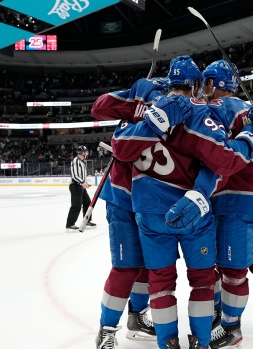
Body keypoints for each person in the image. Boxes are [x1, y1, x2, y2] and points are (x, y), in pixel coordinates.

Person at [112, 56, 253, 349]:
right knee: (203, 281)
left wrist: (143, 106)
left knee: (160, 280)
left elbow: (119, 146)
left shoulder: (143, 106)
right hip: (192, 213)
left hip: (148, 213)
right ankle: (201, 341)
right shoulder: (199, 111)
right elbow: (224, 160)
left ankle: (167, 342)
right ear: (197, 84)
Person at [187, 60, 253, 349]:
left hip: (238, 202)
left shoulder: (214, 110)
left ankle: (231, 329)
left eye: (204, 84)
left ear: (210, 84)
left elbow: (215, 155)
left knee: (233, 273)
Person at [90, 77, 170, 347]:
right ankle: (107, 329)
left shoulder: (175, 106)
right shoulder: (133, 108)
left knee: (147, 266)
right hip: (123, 199)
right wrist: (132, 95)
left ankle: (136, 317)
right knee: (125, 268)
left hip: (151, 202)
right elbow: (98, 108)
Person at [65, 145, 96, 232]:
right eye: (85, 152)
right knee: (76, 206)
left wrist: (84, 183)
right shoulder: (76, 161)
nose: (87, 153)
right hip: (75, 186)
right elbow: (75, 175)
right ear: (82, 152)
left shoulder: (81, 162)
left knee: (87, 203)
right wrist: (83, 182)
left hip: (80, 186)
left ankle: (87, 221)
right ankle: (70, 224)